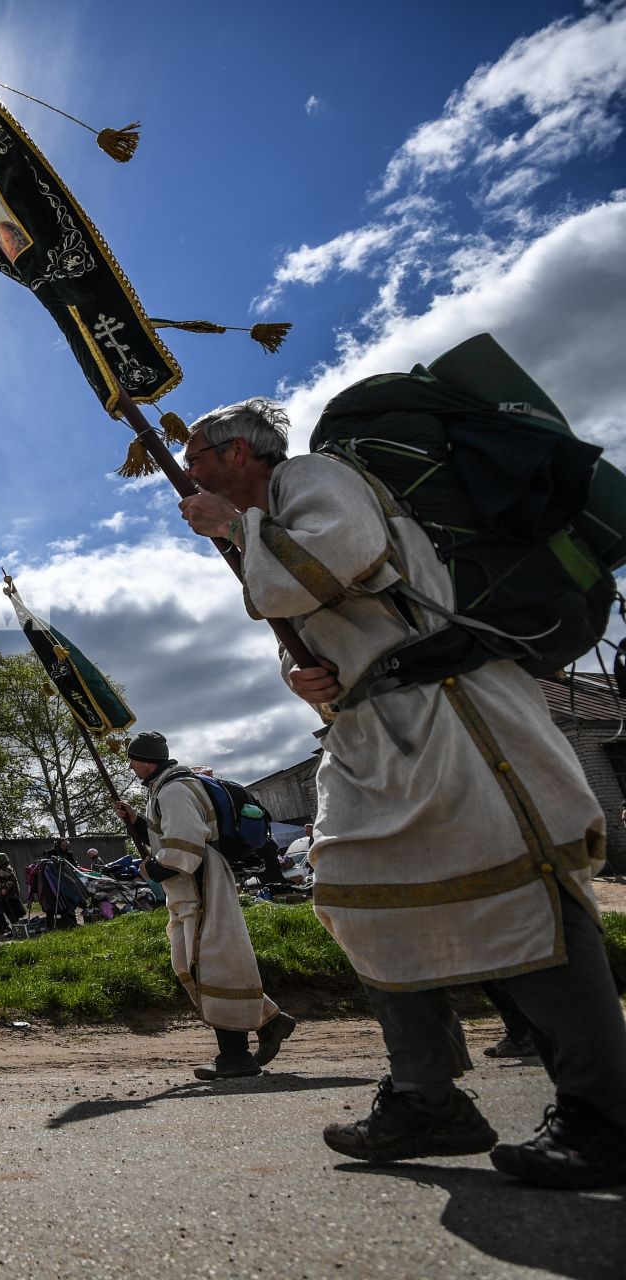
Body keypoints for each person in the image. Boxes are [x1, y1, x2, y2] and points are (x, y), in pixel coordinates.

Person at [177, 393, 626, 1188]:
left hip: (450, 711)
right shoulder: (271, 514)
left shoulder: (317, 476)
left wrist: (233, 528)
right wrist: (302, 676)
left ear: (238, 453)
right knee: (353, 890)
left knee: (522, 886)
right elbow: (320, 630)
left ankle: (605, 1110)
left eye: (197, 457)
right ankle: (428, 1099)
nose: (188, 475)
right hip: (370, 736)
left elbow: (329, 561)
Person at [114, 731, 295, 1080]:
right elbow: (171, 832)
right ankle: (269, 1021)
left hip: (202, 886)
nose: (131, 766)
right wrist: (136, 821)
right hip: (189, 890)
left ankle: (235, 1056)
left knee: (210, 966)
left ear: (148, 761)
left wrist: (150, 868)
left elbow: (185, 847)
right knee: (191, 964)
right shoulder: (165, 787)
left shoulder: (174, 790)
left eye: (134, 759)